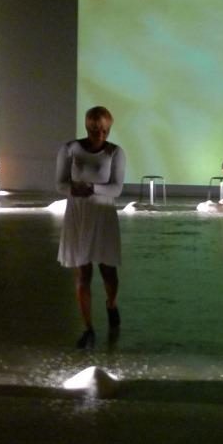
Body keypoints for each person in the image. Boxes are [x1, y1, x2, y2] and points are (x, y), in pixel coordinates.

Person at [56, 106, 126, 350]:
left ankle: (111, 303)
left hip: (103, 214)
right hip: (79, 215)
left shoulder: (115, 152)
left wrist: (91, 188)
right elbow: (60, 183)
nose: (101, 134)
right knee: (83, 273)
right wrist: (73, 189)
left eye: (105, 130)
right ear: (88, 127)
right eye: (96, 130)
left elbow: (117, 188)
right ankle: (88, 328)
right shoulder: (70, 149)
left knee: (108, 270)